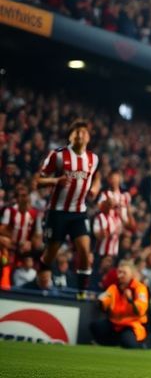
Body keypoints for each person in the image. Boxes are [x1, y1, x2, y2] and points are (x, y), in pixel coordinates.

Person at [34, 118, 101, 297]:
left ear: (88, 137)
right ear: (70, 136)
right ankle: (39, 281)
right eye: (76, 132)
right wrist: (56, 180)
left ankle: (82, 292)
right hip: (58, 212)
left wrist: (95, 188)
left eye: (84, 132)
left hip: (79, 213)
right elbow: (38, 180)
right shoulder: (58, 155)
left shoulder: (93, 158)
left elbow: (97, 176)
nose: (80, 135)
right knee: (50, 254)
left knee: (85, 251)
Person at [90, 260, 149, 349]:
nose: (120, 275)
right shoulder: (114, 288)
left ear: (131, 274)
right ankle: (112, 344)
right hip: (115, 323)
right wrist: (100, 301)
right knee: (95, 327)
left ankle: (140, 345)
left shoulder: (139, 288)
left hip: (131, 324)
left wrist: (131, 301)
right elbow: (104, 302)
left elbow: (140, 311)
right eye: (119, 272)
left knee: (128, 343)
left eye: (124, 273)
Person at [0, 183, 40, 289]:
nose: (24, 199)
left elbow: (37, 236)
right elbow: (2, 229)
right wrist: (12, 238)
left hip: (25, 250)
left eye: (25, 196)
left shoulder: (34, 214)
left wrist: (30, 242)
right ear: (17, 199)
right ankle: (5, 286)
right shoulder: (9, 211)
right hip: (10, 247)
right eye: (21, 196)